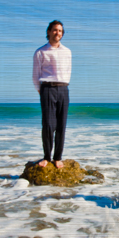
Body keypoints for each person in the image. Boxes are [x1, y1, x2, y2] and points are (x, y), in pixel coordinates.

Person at [33, 20, 71, 169]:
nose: (58, 33)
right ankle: (47, 157)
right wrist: (42, 91)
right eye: (55, 30)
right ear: (48, 32)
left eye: (60, 31)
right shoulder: (40, 52)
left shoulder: (67, 51)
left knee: (61, 125)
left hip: (63, 89)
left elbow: (68, 71)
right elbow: (35, 75)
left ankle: (58, 157)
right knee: (48, 125)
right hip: (47, 88)